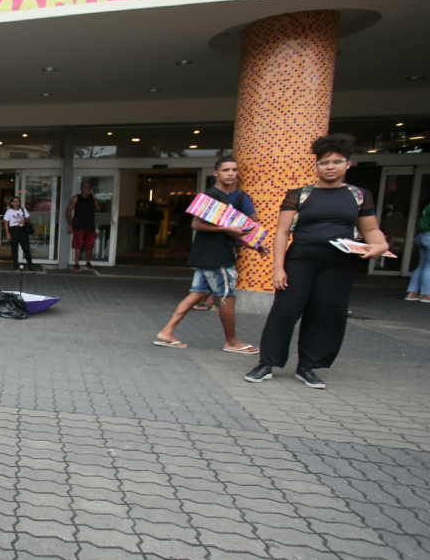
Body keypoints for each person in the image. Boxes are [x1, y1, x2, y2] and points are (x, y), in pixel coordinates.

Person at [245, 134, 389, 389]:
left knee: (326, 313)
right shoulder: (299, 195)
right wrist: (278, 268)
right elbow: (282, 232)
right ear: (317, 166)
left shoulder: (359, 196)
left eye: (336, 161)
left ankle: (308, 367)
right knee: (285, 310)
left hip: (340, 264)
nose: (330, 166)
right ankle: (266, 363)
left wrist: (381, 245)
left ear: (348, 164)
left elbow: (370, 229)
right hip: (300, 260)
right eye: (324, 162)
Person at [154, 156, 268, 353]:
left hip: (209, 254)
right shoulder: (212, 195)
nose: (231, 173)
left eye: (234, 170)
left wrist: (255, 245)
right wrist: (228, 229)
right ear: (216, 173)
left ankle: (167, 332)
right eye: (226, 170)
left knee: (196, 294)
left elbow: (235, 230)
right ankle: (232, 342)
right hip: (216, 255)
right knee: (227, 296)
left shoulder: (226, 197)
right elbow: (196, 224)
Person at [67, 180, 100, 271]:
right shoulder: (76, 198)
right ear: (81, 188)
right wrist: (70, 225)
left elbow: (98, 208)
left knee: (89, 245)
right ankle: (76, 263)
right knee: (79, 245)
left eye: (88, 187)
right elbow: (69, 211)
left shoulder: (92, 199)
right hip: (79, 225)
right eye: (84, 187)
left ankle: (88, 262)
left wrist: (94, 195)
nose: (86, 189)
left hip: (90, 225)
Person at [405, 201, 430, 302]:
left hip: (422, 236)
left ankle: (412, 293)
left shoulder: (428, 205)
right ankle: (426, 294)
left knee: (422, 265)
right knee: (429, 266)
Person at [3, 196, 31, 271]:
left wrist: (24, 221)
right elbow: (6, 223)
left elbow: (28, 218)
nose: (16, 203)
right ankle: (15, 266)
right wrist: (8, 233)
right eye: (14, 201)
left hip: (22, 230)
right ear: (12, 203)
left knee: (26, 248)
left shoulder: (23, 209)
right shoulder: (9, 211)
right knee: (14, 249)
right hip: (13, 230)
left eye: (18, 201)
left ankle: (30, 266)